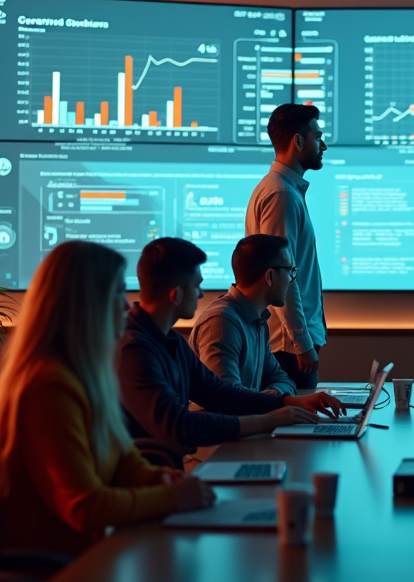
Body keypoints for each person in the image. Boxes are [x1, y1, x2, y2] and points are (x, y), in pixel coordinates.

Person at [0, 241, 215, 556]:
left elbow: (125, 463)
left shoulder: (82, 376)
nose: (128, 307)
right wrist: (173, 498)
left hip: (90, 557)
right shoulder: (47, 388)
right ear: (87, 304)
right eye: (118, 293)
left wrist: (166, 478)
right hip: (53, 580)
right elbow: (85, 507)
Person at [117, 237, 341, 457]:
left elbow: (218, 392)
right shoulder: (135, 349)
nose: (202, 293)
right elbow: (179, 426)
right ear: (176, 295)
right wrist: (271, 418)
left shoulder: (169, 340)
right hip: (164, 473)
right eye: (197, 285)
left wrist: (289, 402)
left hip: (171, 472)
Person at [245, 103, 327, 389]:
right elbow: (280, 273)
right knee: (295, 428)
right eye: (317, 137)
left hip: (291, 342)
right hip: (288, 347)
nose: (323, 145)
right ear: (298, 141)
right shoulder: (281, 195)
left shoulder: (285, 190)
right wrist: (302, 340)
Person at [190, 234, 298, 398]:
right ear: (270, 276)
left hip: (248, 420)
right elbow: (226, 400)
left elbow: (283, 379)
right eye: (289, 271)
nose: (291, 279)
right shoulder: (222, 322)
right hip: (221, 423)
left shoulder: (259, 320)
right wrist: (274, 402)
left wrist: (270, 397)